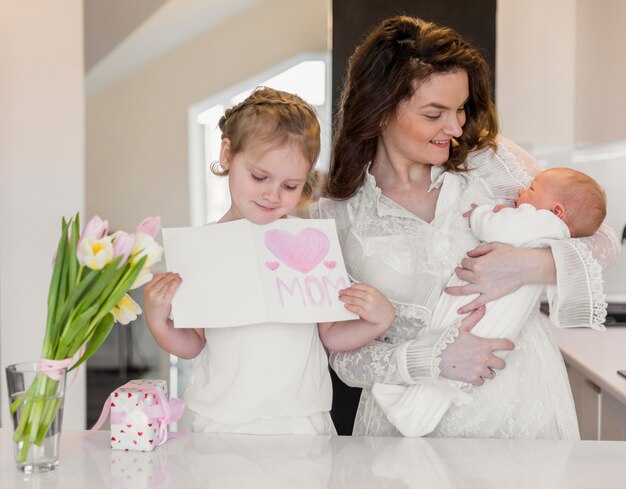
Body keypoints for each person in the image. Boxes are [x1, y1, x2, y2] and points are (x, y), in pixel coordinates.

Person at [310, 16, 620, 438]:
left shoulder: (489, 162)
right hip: (411, 431)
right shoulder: (336, 215)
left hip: (524, 414)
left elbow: (600, 239)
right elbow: (341, 353)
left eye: (460, 109)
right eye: (435, 113)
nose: (456, 128)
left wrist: (530, 265)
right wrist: (431, 359)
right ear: (379, 109)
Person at [143, 87, 395, 435]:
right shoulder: (205, 248)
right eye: (260, 177)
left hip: (302, 422)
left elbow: (331, 334)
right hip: (221, 423)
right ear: (228, 153)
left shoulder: (312, 246)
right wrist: (159, 323)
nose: (272, 195)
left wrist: (377, 321)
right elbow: (194, 344)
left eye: (291, 186)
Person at [371, 167, 607, 436]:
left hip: (486, 311)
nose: (521, 191)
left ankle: (412, 414)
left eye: (532, 189)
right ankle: (413, 409)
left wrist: (479, 214)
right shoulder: (551, 235)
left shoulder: (542, 223)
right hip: (500, 320)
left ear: (556, 211)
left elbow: (498, 225)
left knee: (443, 344)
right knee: (448, 371)